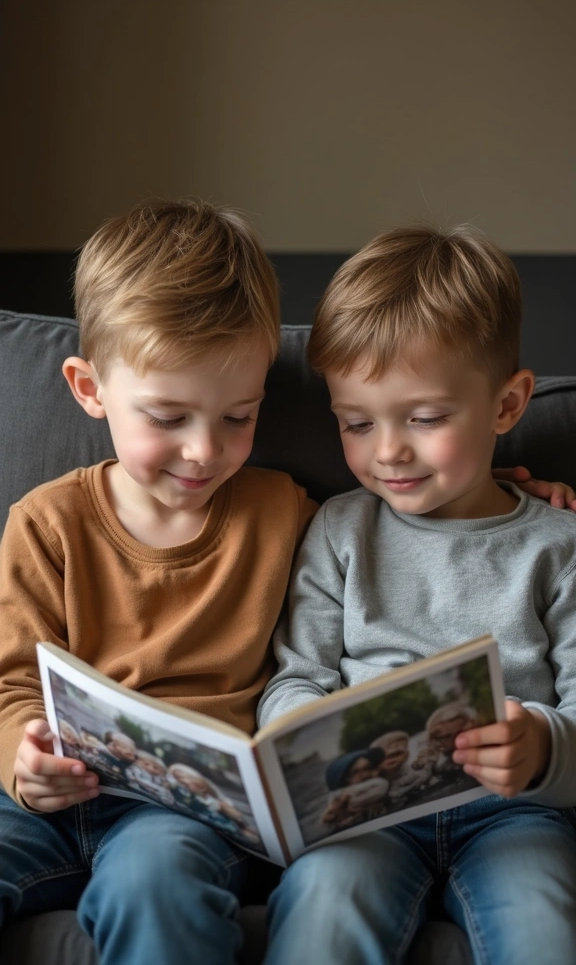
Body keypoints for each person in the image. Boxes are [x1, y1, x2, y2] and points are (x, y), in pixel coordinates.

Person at [0, 199, 317, 965]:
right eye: (168, 418)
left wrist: (498, 486)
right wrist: (21, 754)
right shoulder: (47, 522)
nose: (205, 450)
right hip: (50, 803)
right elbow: (10, 683)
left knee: (156, 881)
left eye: (238, 416)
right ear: (88, 388)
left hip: (182, 815)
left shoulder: (282, 513)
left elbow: (399, 521)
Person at [258, 225, 576, 965]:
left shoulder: (557, 545)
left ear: (507, 404)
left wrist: (541, 748)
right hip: (365, 810)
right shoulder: (340, 530)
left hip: (513, 812)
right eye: (357, 424)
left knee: (543, 923)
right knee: (322, 907)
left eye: (426, 419)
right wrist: (305, 739)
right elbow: (297, 674)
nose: (389, 451)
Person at [321, 748, 389, 832]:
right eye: (356, 772)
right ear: (346, 779)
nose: (364, 775)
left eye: (367, 768)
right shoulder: (338, 803)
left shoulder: (380, 783)